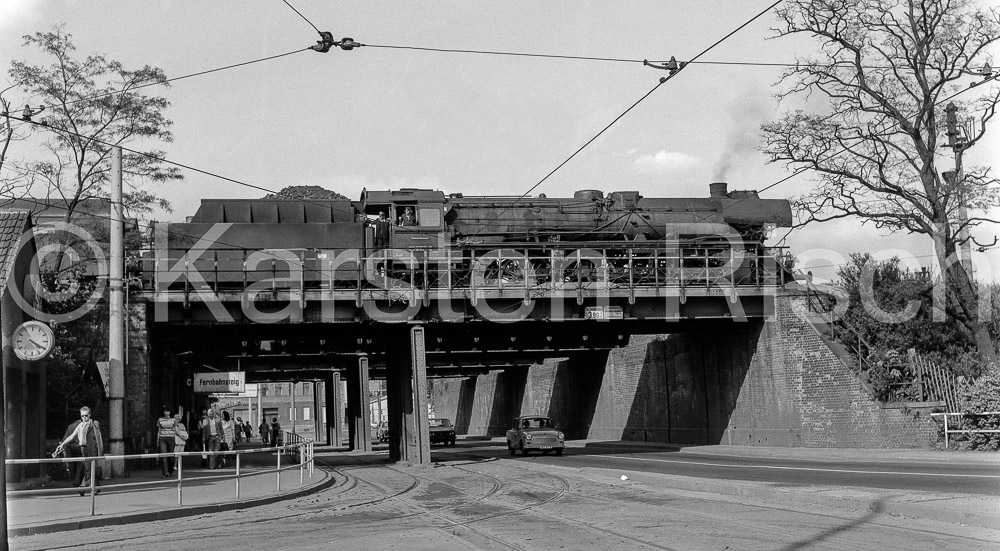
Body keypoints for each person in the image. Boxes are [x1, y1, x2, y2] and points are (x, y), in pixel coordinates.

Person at [54, 406, 103, 495]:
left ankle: (83, 487)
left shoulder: (94, 424)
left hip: (91, 449)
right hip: (83, 449)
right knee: (88, 468)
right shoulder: (80, 425)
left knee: (88, 468)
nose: (84, 418)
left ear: (90, 415)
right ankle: (95, 487)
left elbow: (98, 438)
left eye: (86, 416)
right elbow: (71, 436)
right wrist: (62, 444)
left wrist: (99, 452)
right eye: (82, 416)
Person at [155, 405, 178, 477]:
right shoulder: (160, 420)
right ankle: (165, 473)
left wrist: (178, 438)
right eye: (165, 411)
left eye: (168, 411)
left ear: (170, 412)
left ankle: (171, 470)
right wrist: (157, 440)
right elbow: (159, 431)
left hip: (171, 438)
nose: (166, 413)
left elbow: (176, 430)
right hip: (163, 438)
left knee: (171, 456)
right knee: (164, 456)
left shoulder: (174, 420)